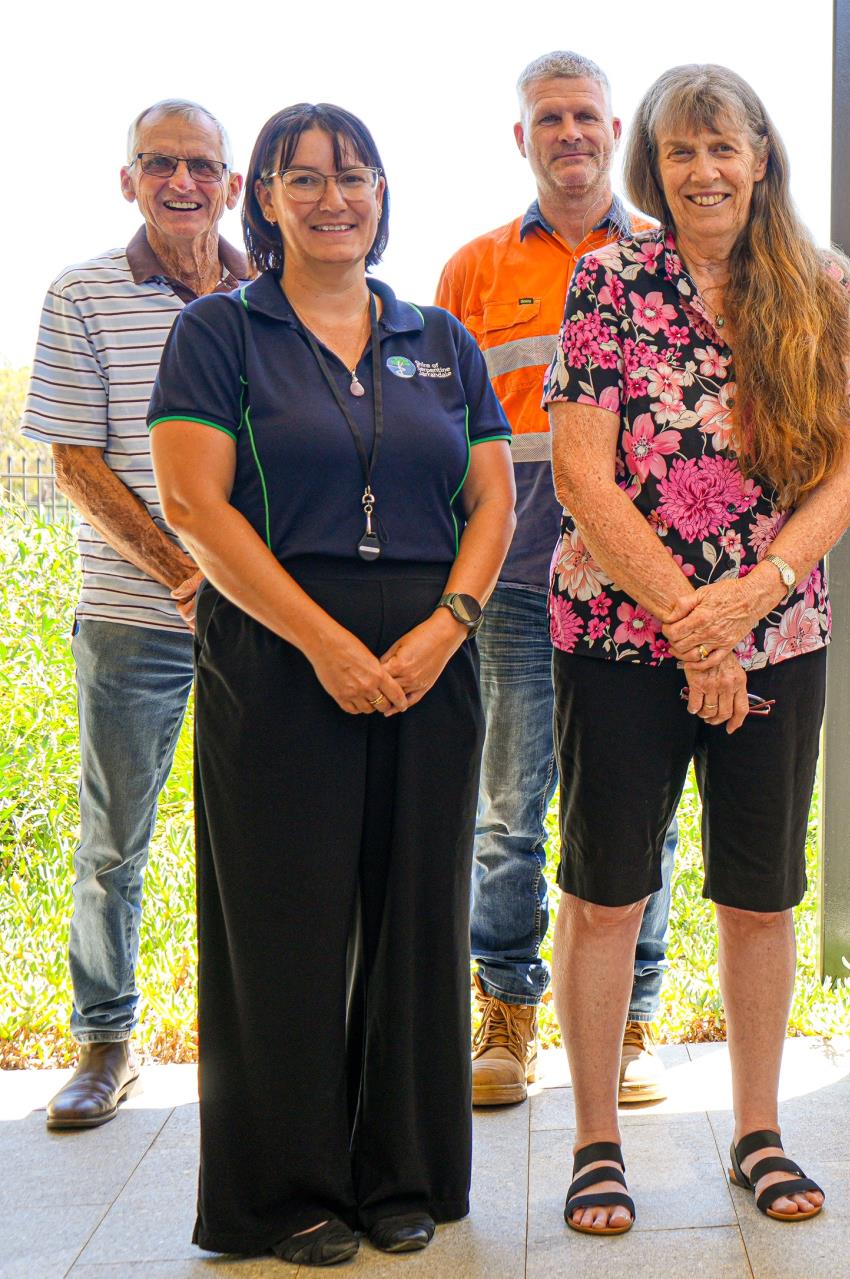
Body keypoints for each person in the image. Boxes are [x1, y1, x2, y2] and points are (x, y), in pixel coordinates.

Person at [149, 103, 514, 1264]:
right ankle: (285, 1191)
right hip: (276, 655)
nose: (331, 198)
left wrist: (447, 625)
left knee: (416, 919)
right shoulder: (220, 331)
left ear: (380, 192)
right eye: (300, 179)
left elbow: (493, 500)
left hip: (430, 660)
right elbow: (197, 506)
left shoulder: (440, 339)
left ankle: (403, 1175)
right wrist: (322, 643)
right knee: (285, 926)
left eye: (352, 176)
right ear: (262, 198)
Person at [545, 63, 850, 1235]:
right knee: (604, 892)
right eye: (680, 152)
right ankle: (593, 1140)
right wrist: (697, 619)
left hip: (778, 633)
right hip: (619, 636)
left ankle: (757, 1129)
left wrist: (757, 596)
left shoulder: (820, 286)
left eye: (720, 146)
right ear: (654, 167)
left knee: (760, 897)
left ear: (759, 153)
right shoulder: (607, 279)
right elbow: (582, 473)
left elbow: (843, 466)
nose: (702, 170)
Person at [437, 49, 676, 1110]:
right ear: (520, 136)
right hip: (520, 583)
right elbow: (444, 440)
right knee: (507, 807)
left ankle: (628, 1025)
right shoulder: (473, 271)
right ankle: (508, 1012)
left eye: (586, 115)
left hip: (642, 589)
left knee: (640, 814)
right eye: (549, 117)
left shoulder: (669, 258)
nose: (570, 132)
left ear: (614, 130)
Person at [24, 100, 249, 1132]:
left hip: (266, 620)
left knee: (265, 832)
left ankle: (261, 1039)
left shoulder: (273, 295)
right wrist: (181, 572)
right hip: (134, 619)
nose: (180, 182)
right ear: (129, 181)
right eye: (157, 164)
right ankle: (106, 1039)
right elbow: (75, 461)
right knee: (117, 837)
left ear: (232, 185)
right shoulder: (83, 296)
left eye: (201, 165)